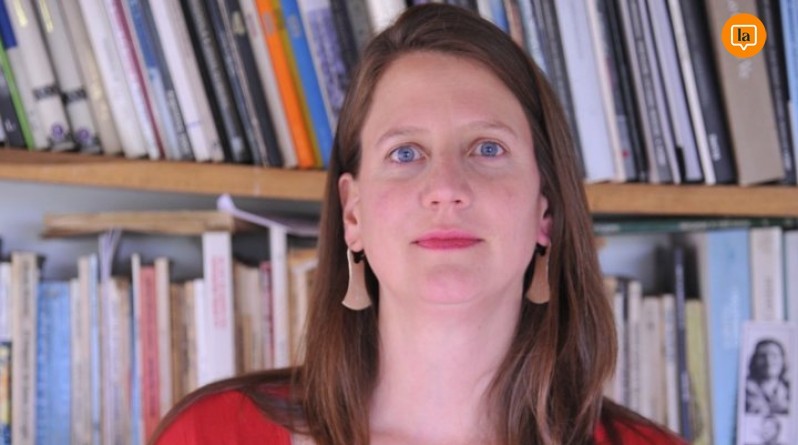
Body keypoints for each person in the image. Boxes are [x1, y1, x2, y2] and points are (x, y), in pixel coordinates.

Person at [152, 4, 684, 444]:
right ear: (353, 214)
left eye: (488, 148)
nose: (446, 188)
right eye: (405, 153)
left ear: (545, 209)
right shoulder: (209, 435)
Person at [745, 339, 790, 416]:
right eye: (762, 356)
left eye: (774, 356)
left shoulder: (790, 389)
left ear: (783, 360)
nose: (768, 361)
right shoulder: (745, 390)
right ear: (754, 360)